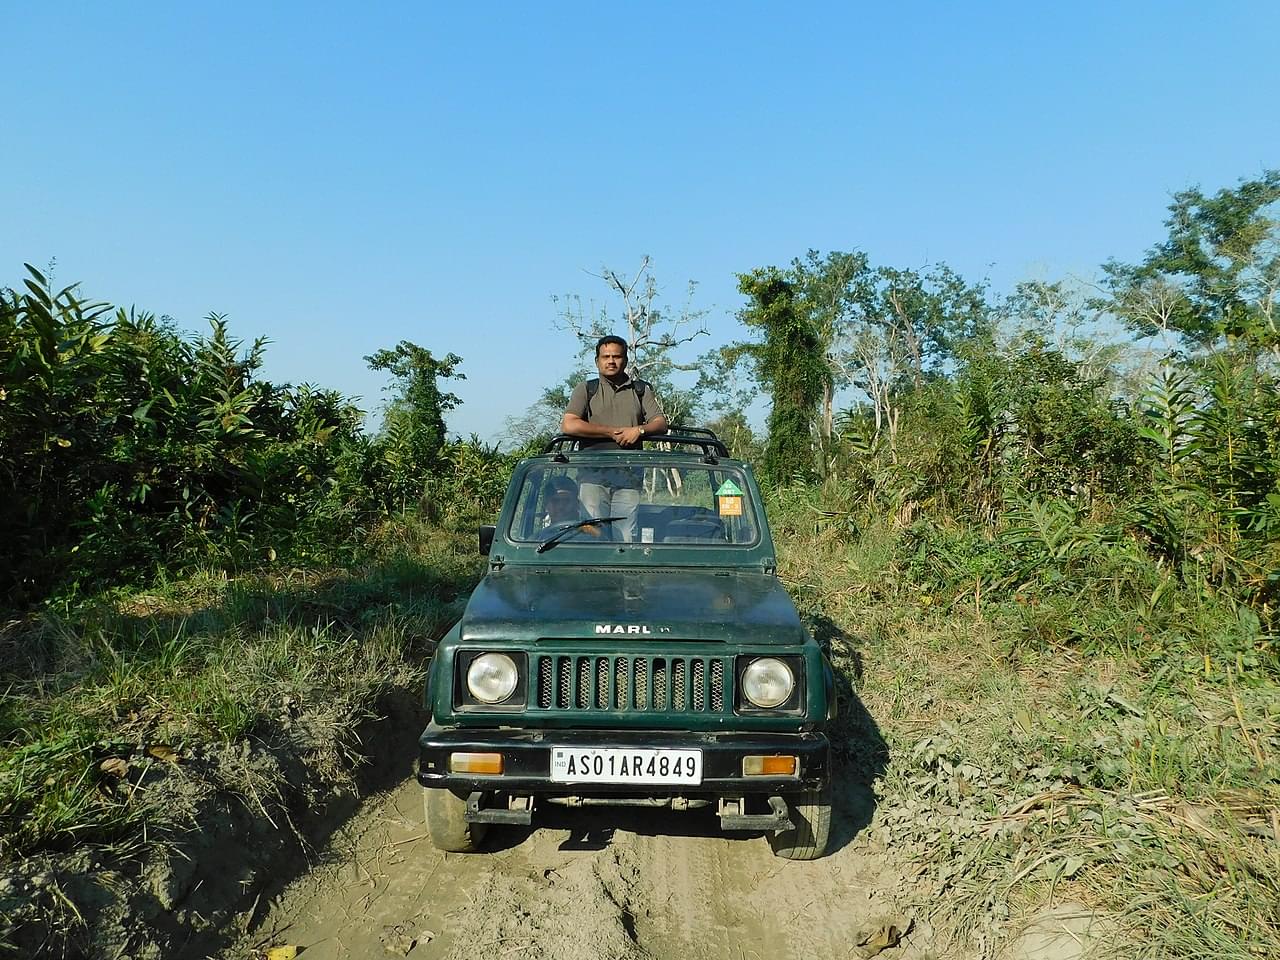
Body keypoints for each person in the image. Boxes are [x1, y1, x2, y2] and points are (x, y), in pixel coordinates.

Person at [561, 336, 668, 541]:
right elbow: (569, 424)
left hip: (628, 478)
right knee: (593, 536)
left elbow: (660, 423)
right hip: (592, 477)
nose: (611, 361)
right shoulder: (586, 389)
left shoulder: (640, 390)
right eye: (606, 356)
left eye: (617, 356)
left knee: (626, 536)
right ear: (597, 361)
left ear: (625, 360)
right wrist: (610, 432)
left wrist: (639, 431)